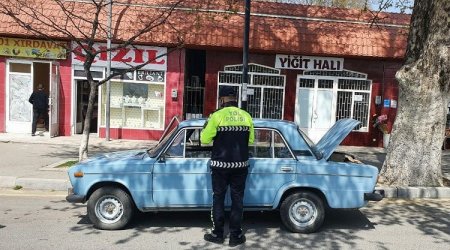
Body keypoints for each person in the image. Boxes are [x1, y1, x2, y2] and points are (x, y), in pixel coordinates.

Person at [200, 86, 254, 247]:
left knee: (218, 198)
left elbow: (204, 139)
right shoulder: (246, 116)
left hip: (220, 166)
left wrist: (207, 126)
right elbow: (251, 141)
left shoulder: (216, 116)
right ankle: (235, 236)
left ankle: (217, 234)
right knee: (238, 200)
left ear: (222, 99)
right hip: (240, 165)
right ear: (235, 98)